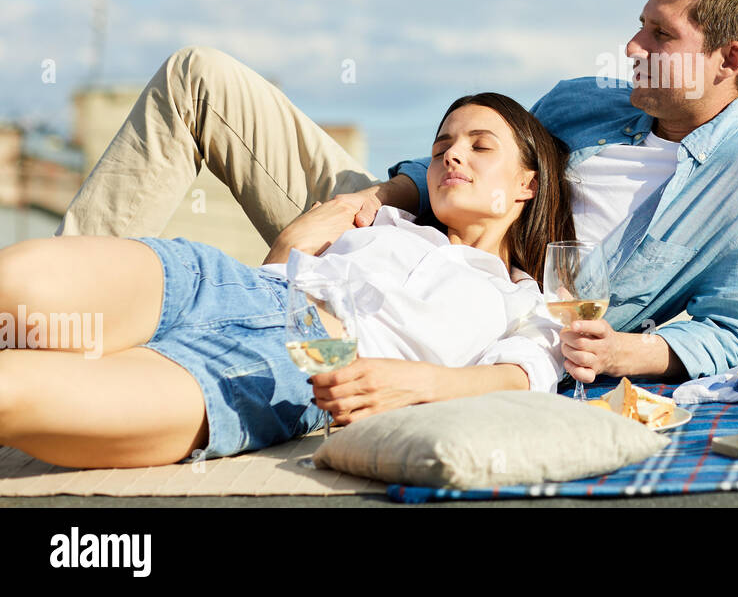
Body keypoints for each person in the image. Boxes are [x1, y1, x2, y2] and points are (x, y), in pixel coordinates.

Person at [57, 0, 738, 384]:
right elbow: (466, 151)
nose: (632, 46)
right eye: (639, 25)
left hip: (481, 308)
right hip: (406, 225)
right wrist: (375, 194)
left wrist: (633, 350)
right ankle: (55, 308)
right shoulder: (584, 102)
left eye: (657, 33)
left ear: (726, 61)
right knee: (201, 74)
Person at [0, 93, 573, 468]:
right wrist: (291, 246)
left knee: (14, 391)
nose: (452, 156)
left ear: (527, 183)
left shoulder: (523, 299)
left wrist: (421, 383)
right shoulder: (383, 217)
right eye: (441, 146)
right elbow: (286, 261)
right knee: (16, 287)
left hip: (284, 370)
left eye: (480, 146)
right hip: (222, 283)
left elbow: (523, 377)